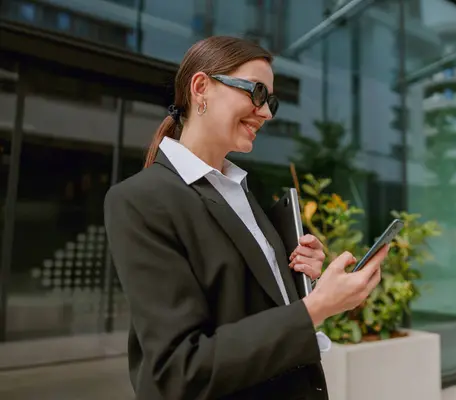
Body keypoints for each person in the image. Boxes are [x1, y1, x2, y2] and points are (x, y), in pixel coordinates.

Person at [104, 36, 389, 400]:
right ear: (201, 87)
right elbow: (180, 369)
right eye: (256, 92)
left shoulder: (239, 192)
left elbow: (248, 309)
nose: (267, 113)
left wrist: (307, 284)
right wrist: (316, 308)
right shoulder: (139, 200)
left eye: (270, 101)